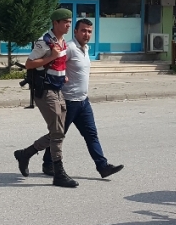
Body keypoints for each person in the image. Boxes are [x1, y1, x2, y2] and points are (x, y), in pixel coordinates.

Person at [38, 18, 124, 179]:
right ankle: (46, 162)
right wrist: (60, 77)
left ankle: (102, 166)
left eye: (89, 31)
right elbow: (53, 64)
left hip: (83, 102)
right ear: (75, 31)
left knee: (91, 135)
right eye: (83, 30)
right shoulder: (69, 48)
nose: (86, 34)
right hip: (68, 101)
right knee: (58, 134)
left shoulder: (85, 49)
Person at [13, 8, 78, 188]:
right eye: (65, 21)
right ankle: (59, 173)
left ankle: (25, 154)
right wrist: (52, 56)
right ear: (55, 23)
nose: (68, 24)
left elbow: (58, 65)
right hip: (45, 91)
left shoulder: (62, 41)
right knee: (57, 133)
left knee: (59, 132)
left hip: (58, 89)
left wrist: (62, 75)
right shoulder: (44, 42)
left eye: (69, 21)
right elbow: (29, 64)